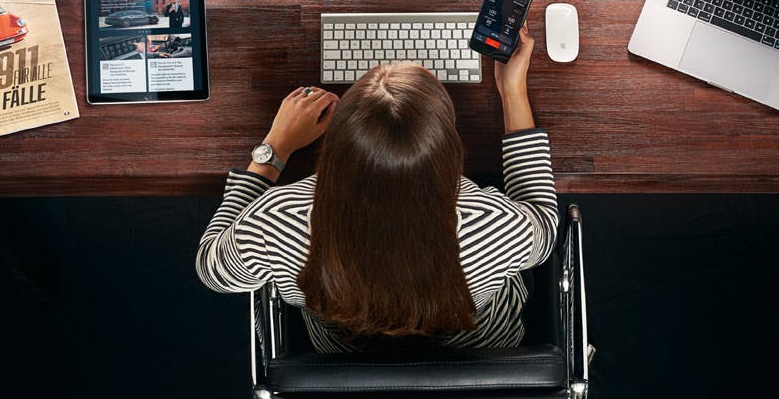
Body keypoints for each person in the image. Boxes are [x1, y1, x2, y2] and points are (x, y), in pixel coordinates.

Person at [196, 26, 556, 353]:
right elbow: (544, 230)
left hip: (343, 361)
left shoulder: (276, 222)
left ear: (335, 145)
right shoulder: (494, 222)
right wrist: (512, 92)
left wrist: (274, 149)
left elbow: (213, 270)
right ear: (449, 150)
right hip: (478, 355)